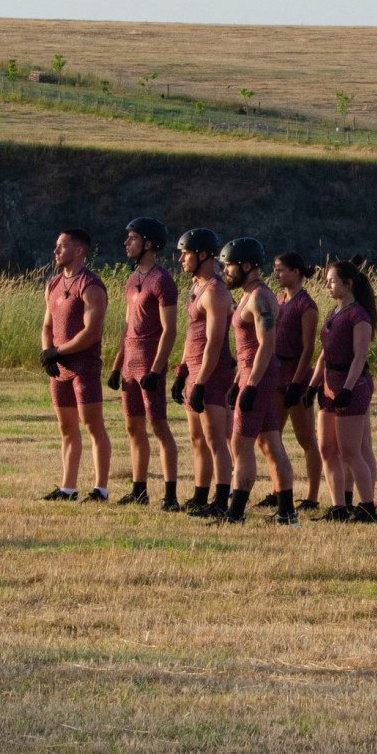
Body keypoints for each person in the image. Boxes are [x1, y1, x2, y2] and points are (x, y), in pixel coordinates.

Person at [215, 238, 296, 525]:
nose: (225, 271)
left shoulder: (260, 297)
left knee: (240, 444)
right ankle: (287, 513)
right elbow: (247, 349)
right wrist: (240, 380)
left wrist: (251, 384)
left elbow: (266, 344)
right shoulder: (251, 295)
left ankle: (235, 513)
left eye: (229, 266)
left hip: (259, 375)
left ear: (246, 265)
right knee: (270, 443)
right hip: (252, 373)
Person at [107, 217, 180, 510]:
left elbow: (170, 330)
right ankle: (139, 490)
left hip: (150, 362)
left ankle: (171, 494)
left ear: (148, 244)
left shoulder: (162, 280)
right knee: (133, 427)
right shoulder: (132, 279)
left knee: (159, 427)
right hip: (130, 364)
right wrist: (116, 365)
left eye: (133, 238)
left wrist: (157, 369)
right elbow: (128, 327)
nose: (127, 243)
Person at [39, 228, 112, 502]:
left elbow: (91, 332)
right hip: (60, 368)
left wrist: (58, 351)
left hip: (84, 366)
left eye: (62, 246)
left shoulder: (91, 285)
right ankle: (68, 487)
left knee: (93, 425)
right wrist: (47, 351)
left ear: (79, 251)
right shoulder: (54, 284)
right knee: (66, 428)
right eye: (57, 245)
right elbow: (47, 325)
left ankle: (100, 489)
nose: (56, 250)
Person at [308, 258, 377, 523]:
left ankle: (367, 508)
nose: (327, 285)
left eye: (332, 281)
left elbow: (360, 357)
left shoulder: (358, 315)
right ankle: (338, 507)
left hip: (352, 386)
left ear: (347, 284)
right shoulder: (333, 313)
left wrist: (348, 390)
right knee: (327, 449)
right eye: (326, 281)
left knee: (351, 452)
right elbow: (324, 355)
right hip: (329, 387)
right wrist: (312, 385)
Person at [172, 228, 237, 520]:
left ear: (202, 255)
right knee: (197, 438)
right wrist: (182, 371)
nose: (181, 258)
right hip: (196, 370)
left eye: (185, 253)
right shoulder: (196, 287)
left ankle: (221, 499)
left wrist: (200, 381)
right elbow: (192, 336)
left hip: (212, 372)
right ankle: (200, 494)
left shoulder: (215, 291)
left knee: (215, 440)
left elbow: (214, 341)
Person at [256, 252, 323, 513]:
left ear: (296, 272)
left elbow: (308, 349)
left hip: (297, 376)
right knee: (271, 436)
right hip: (276, 374)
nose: (277, 274)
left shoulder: (306, 305)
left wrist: (297, 383)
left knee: (306, 439)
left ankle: (312, 496)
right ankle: (278, 490)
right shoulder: (279, 300)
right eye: (275, 269)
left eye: (281, 270)